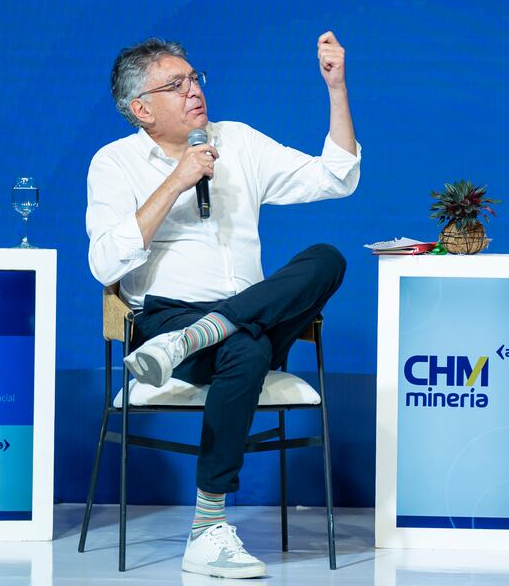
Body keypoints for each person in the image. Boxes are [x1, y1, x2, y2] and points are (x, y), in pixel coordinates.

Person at [86, 32, 361, 579]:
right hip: (169, 318)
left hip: (240, 317)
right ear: (142, 109)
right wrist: (176, 180)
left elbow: (335, 178)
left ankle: (206, 333)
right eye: (176, 84)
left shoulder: (237, 141)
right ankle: (208, 527)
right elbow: (104, 263)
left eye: (194, 78)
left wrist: (337, 89)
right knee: (246, 347)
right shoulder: (114, 163)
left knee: (326, 258)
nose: (194, 91)